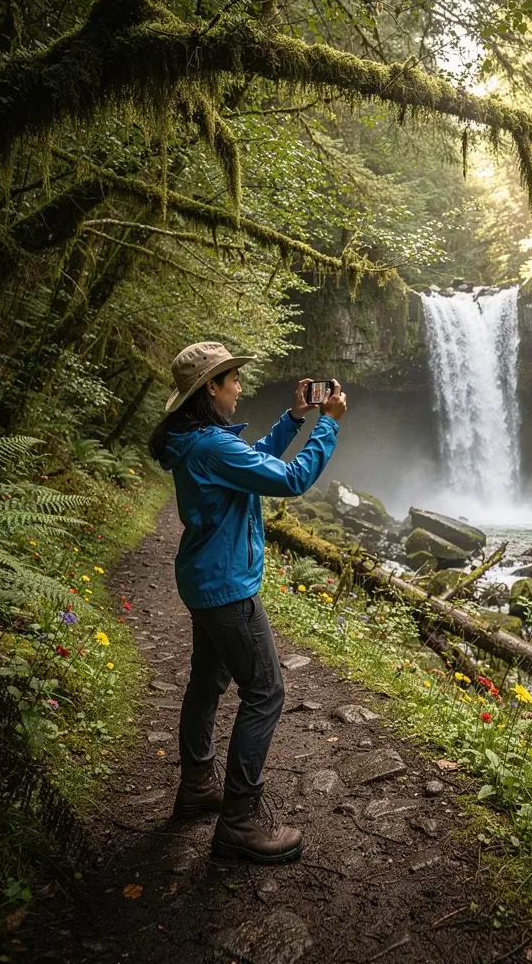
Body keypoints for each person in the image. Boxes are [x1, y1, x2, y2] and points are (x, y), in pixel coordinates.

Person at [148, 341, 347, 864]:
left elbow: (251, 460)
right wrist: (328, 422)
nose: (239, 387)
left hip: (204, 579)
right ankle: (239, 820)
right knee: (265, 690)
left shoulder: (197, 441)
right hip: (228, 588)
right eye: (233, 379)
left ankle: (196, 788)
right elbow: (290, 479)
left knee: (208, 681)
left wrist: (294, 418)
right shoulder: (212, 446)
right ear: (210, 388)